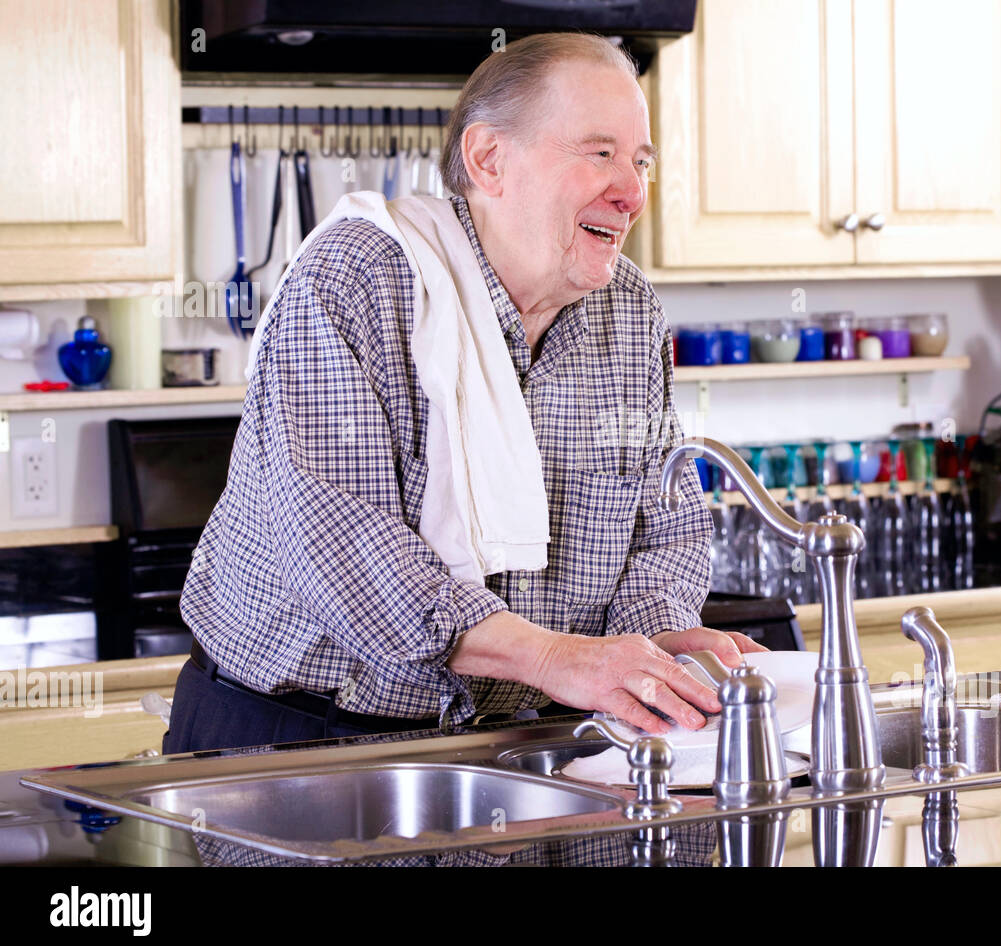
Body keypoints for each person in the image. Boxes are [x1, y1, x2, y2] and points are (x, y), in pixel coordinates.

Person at [162, 32, 763, 756]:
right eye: (600, 153)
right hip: (293, 738)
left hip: (519, 734)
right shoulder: (357, 277)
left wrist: (654, 635)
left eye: (641, 162)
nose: (632, 191)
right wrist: (554, 659)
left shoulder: (628, 311)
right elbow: (343, 545)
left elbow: (663, 522)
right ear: (488, 159)